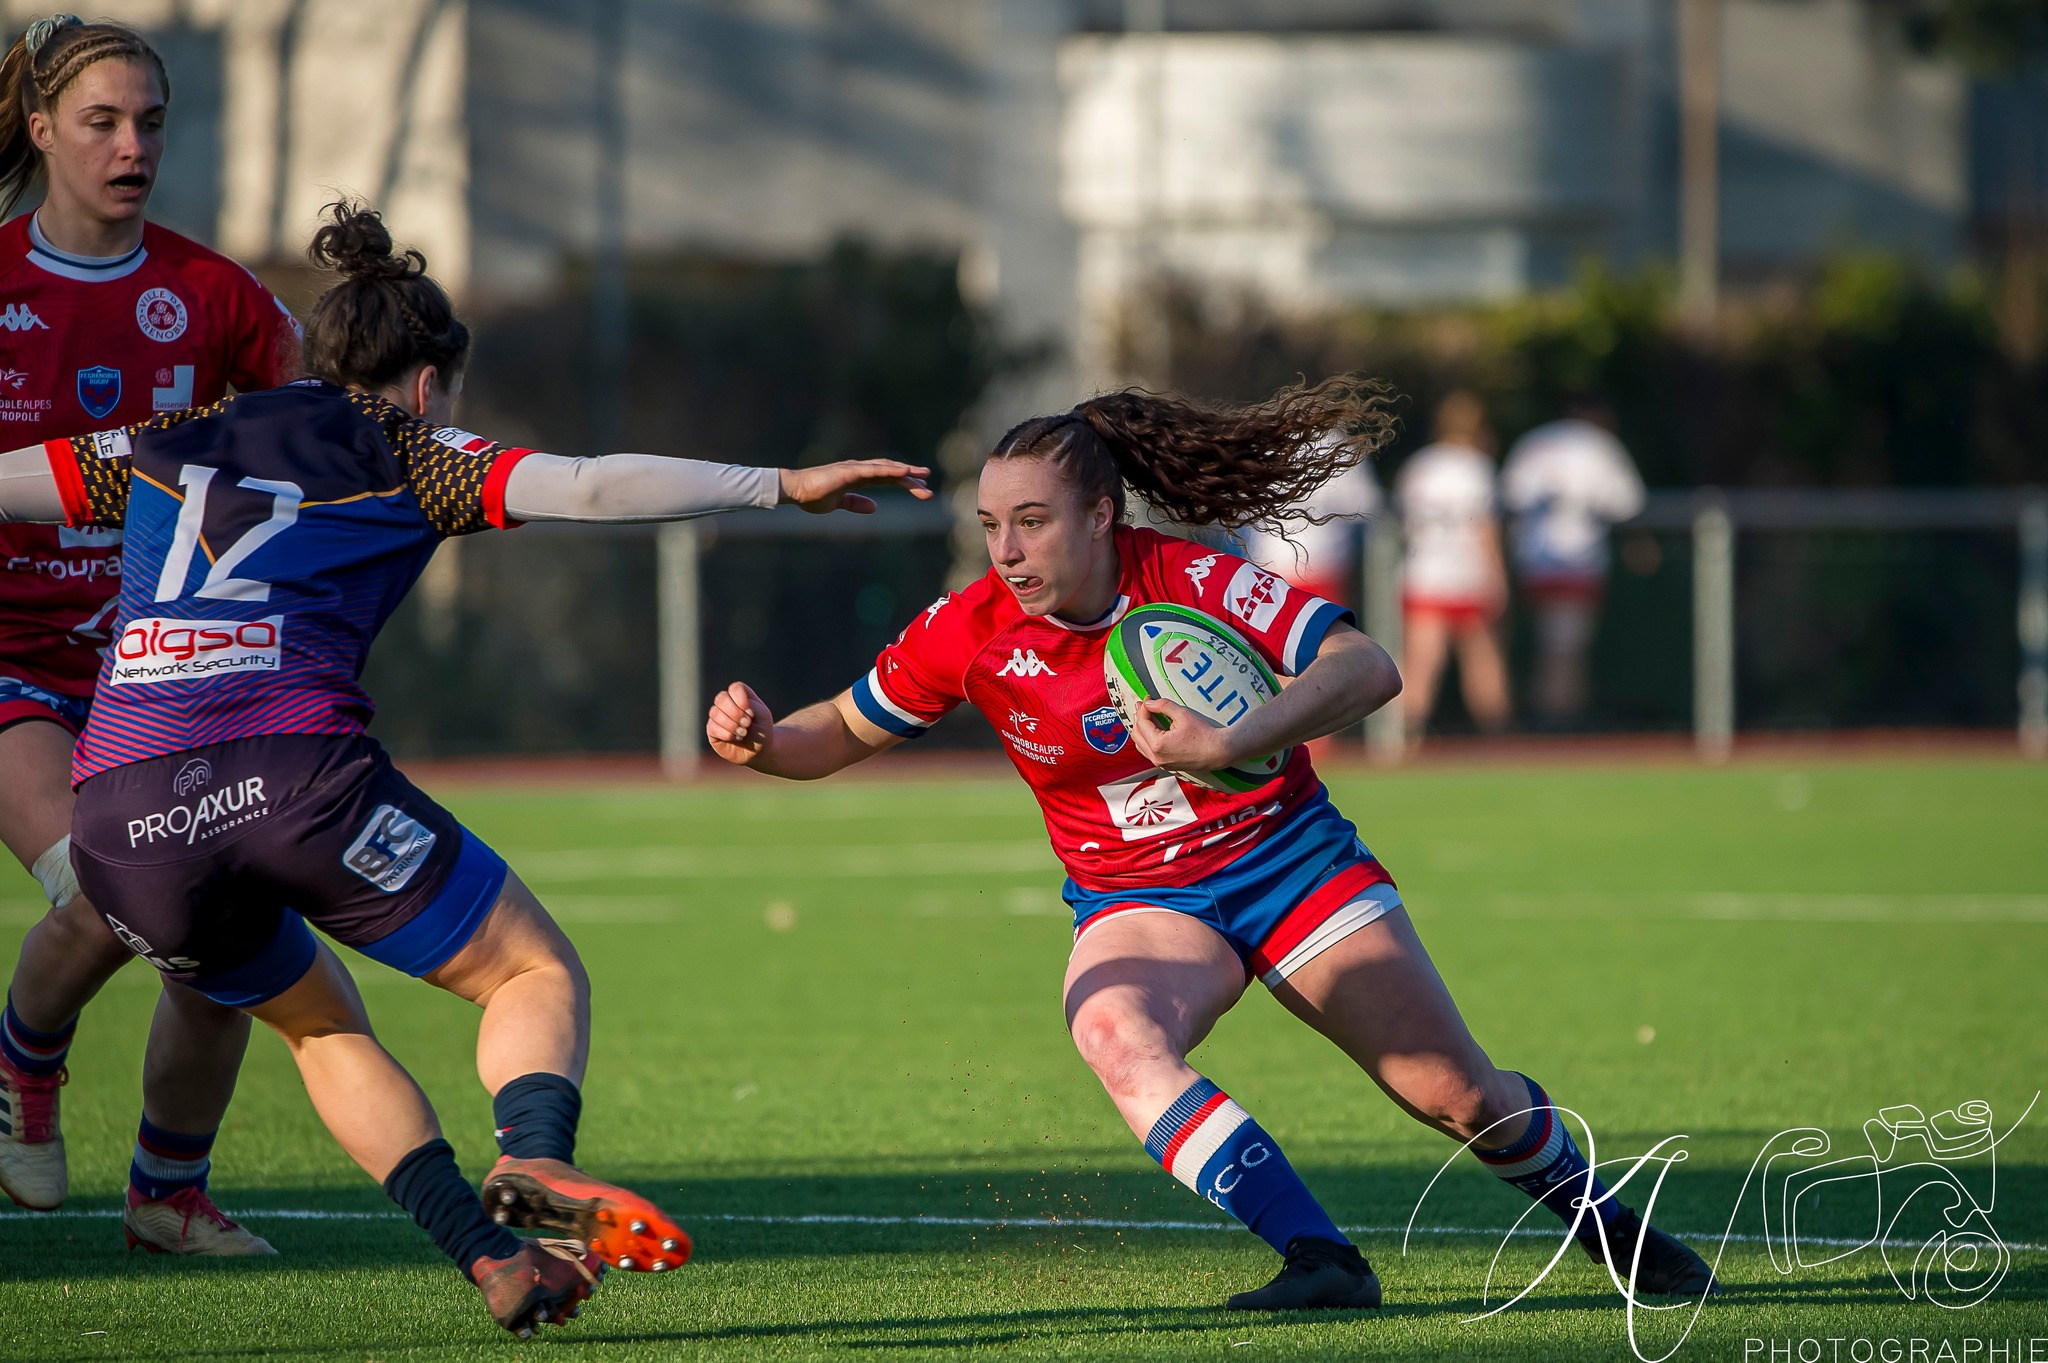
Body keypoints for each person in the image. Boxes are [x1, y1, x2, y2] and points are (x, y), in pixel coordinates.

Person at [0, 201, 933, 1334]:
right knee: (529, 973)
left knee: (322, 1025)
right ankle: (536, 1178)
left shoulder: (164, 439)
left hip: (124, 816)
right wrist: (780, 483)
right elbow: (589, 486)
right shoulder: (410, 449)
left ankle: (490, 1258)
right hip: (291, 771)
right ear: (429, 381)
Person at [704, 378, 1720, 1311]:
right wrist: (760, 743)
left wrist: (1229, 741)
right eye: (989, 527)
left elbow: (1365, 666)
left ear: (1100, 517)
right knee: (1111, 1030)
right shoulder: (968, 629)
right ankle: (1320, 1258)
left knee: (1454, 1095)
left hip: (1287, 864)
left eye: (1029, 522)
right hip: (1136, 900)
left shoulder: (1194, 577)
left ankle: (1602, 1223)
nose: (1005, 551)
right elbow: (836, 729)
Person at [0, 14, 301, 1253]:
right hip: (12, 661)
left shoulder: (216, 296)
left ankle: (166, 1192)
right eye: (102, 122)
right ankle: (25, 1070)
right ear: (39, 131)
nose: (134, 146)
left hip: (160, 672)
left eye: (152, 122)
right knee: (113, 884)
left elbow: (314, 437)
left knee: (219, 915)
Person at [1501, 399, 1645, 725]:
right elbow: (1626, 505)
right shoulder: (1599, 445)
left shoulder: (1534, 442)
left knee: (1551, 644)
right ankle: (1558, 726)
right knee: (1566, 649)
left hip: (1534, 563)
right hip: (1577, 561)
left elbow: (1510, 500)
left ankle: (1551, 720)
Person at [1394, 390, 1509, 743]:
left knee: (1420, 666)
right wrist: (1499, 578)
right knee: (1483, 662)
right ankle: (1498, 743)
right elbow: (1485, 530)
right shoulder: (1478, 468)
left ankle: (1400, 744)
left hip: (1425, 575)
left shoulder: (1420, 465)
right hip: (1468, 576)